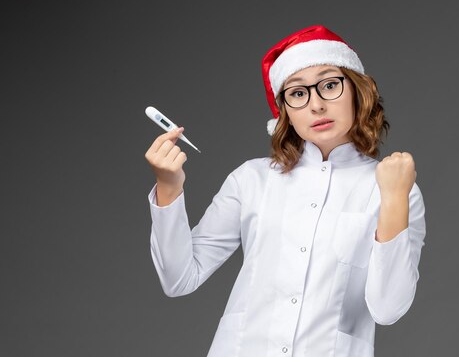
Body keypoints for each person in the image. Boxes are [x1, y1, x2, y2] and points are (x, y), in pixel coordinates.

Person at [144, 25, 427, 357]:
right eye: (297, 93)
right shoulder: (251, 179)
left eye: (330, 85)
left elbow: (388, 309)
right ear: (285, 113)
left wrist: (393, 200)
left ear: (357, 91)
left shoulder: (394, 189)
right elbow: (179, 279)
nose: (316, 105)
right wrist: (168, 186)